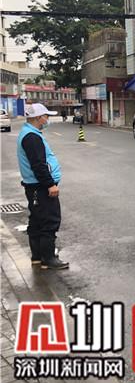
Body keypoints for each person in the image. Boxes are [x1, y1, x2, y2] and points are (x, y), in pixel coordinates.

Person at [17, 103, 69, 270]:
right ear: (38, 118)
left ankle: (38, 257)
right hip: (40, 187)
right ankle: (48, 259)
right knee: (49, 221)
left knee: (37, 221)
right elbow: (38, 165)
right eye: (46, 116)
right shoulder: (32, 137)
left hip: (35, 187)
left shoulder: (28, 133)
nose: (47, 119)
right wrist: (50, 184)